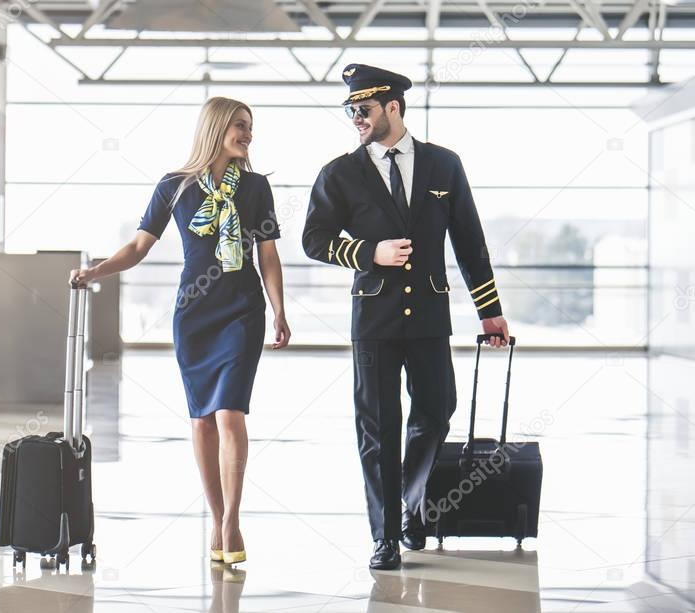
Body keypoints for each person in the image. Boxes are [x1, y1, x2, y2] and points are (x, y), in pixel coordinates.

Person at [302, 64, 511, 570]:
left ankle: (411, 505)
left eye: (364, 109)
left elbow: (469, 241)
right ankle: (385, 536)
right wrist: (369, 253)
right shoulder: (340, 173)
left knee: (438, 410)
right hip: (373, 319)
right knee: (378, 427)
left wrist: (490, 312)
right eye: (351, 110)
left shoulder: (444, 165)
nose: (356, 118)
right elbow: (314, 240)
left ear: (393, 106)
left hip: (429, 318)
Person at [70, 96, 290, 566]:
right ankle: (216, 517)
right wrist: (96, 271)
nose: (247, 133)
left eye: (250, 126)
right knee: (201, 420)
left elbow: (267, 255)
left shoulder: (255, 189)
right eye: (239, 125)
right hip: (194, 315)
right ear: (215, 128)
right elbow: (137, 246)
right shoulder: (174, 185)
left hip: (241, 312)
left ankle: (232, 519)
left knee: (230, 412)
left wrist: (279, 310)